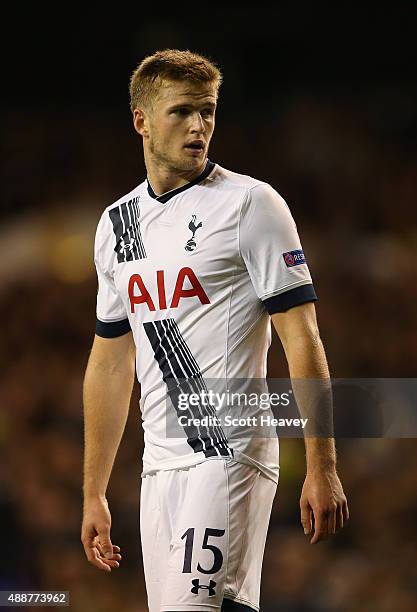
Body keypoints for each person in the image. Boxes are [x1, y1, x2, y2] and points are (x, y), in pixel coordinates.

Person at [81, 49, 349, 612]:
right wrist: (93, 491)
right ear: (141, 121)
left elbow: (302, 337)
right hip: (160, 464)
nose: (199, 125)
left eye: (207, 111)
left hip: (228, 451)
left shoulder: (250, 204)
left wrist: (322, 465)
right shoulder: (116, 226)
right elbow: (109, 362)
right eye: (181, 112)